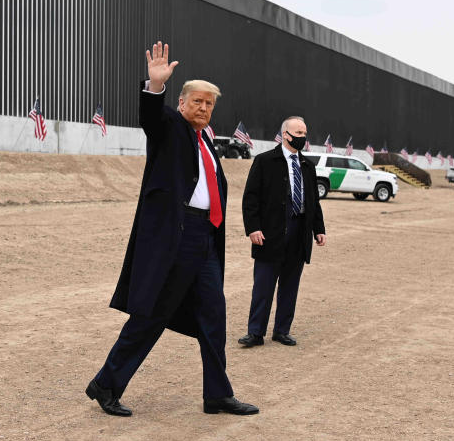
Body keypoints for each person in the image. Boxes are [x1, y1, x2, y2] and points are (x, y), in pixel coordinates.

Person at [86, 41, 258, 418]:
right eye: (197, 101)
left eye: (209, 104)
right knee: (151, 316)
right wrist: (155, 86)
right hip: (174, 241)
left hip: (205, 240)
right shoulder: (169, 128)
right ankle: (106, 383)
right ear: (181, 103)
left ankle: (217, 395)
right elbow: (151, 115)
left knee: (214, 316)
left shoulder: (208, 143)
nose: (203, 108)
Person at [239, 117, 326, 348]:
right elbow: (250, 198)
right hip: (271, 233)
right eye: (298, 132)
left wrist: (319, 229)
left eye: (305, 132)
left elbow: (313, 201)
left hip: (299, 232)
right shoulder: (265, 161)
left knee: (290, 286)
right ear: (285, 134)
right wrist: (253, 228)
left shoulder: (308, 166)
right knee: (264, 286)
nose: (303, 137)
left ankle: (282, 331)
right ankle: (255, 333)